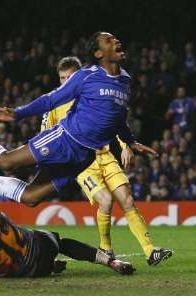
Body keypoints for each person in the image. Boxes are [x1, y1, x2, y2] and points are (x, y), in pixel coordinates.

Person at [0, 32, 156, 213]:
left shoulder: (125, 81)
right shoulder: (86, 76)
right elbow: (51, 99)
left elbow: (117, 117)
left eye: (115, 38)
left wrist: (130, 141)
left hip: (84, 156)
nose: (116, 40)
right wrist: (19, 113)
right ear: (98, 53)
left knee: (31, 198)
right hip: (65, 140)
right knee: (7, 163)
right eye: (108, 39)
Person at [39, 56, 171, 265]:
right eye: (62, 78)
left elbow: (113, 121)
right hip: (82, 163)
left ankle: (150, 250)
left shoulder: (94, 95)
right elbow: (45, 135)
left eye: (70, 77)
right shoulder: (53, 103)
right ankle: (106, 248)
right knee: (106, 201)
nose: (66, 81)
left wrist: (126, 146)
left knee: (127, 200)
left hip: (106, 155)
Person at [0, 193, 135, 278]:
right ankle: (110, 262)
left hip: (29, 272)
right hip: (41, 246)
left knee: (9, 263)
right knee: (61, 242)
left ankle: (52, 267)